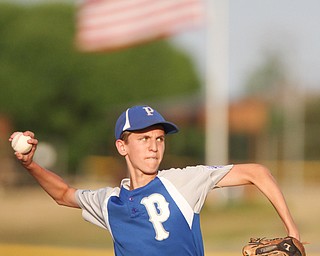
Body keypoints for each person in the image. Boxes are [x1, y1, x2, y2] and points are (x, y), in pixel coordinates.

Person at [9, 105, 300, 256]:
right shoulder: (110, 202)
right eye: (144, 138)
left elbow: (257, 172)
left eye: (159, 138)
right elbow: (63, 193)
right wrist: (30, 164)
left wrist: (292, 230)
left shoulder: (183, 182)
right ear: (122, 147)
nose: (154, 145)